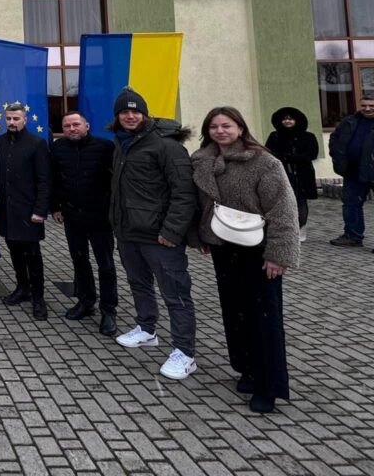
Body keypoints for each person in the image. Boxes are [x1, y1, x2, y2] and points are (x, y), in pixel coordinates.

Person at [191, 106, 300, 413]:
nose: (220, 131)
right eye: (214, 126)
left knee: (264, 317)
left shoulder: (264, 162)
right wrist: (201, 236)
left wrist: (278, 254)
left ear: (240, 128)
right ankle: (248, 370)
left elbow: (283, 209)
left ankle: (270, 386)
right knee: (234, 311)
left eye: (227, 125)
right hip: (224, 247)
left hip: (259, 249)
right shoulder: (201, 161)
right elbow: (199, 205)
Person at [109, 87, 199, 381]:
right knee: (139, 284)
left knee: (176, 294)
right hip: (129, 232)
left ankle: (185, 353)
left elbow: (184, 193)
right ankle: (147, 329)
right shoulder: (122, 143)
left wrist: (172, 232)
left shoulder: (166, 145)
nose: (130, 116)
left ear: (145, 115)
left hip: (160, 237)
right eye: (124, 111)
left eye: (135, 111)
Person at [50, 110, 119, 337]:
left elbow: (115, 182)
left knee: (106, 265)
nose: (72, 129)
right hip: (73, 216)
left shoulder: (105, 147)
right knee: (80, 262)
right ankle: (86, 301)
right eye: (67, 125)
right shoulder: (58, 149)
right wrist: (56, 207)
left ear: (86, 126)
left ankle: (108, 310)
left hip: (100, 219)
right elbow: (55, 180)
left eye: (76, 125)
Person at [0, 104, 51, 319]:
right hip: (7, 210)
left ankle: (38, 297)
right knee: (14, 251)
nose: (11, 122)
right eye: (8, 118)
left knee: (32, 255)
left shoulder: (37, 144)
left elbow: (44, 180)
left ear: (24, 120)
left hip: (29, 211)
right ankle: (22, 288)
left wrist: (40, 210)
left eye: (16, 118)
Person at [264, 107, 318, 242]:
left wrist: (292, 157)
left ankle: (301, 228)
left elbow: (312, 154)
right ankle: (282, 229)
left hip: (302, 174)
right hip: (281, 173)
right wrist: (284, 158)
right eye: (284, 119)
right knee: (281, 202)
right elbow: (268, 153)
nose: (287, 121)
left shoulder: (308, 136)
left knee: (300, 201)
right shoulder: (275, 136)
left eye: (290, 118)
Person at [327, 96, 374, 247]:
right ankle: (353, 236)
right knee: (351, 204)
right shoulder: (349, 121)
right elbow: (335, 137)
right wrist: (336, 154)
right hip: (353, 171)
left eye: (371, 105)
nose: (367, 109)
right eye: (364, 105)